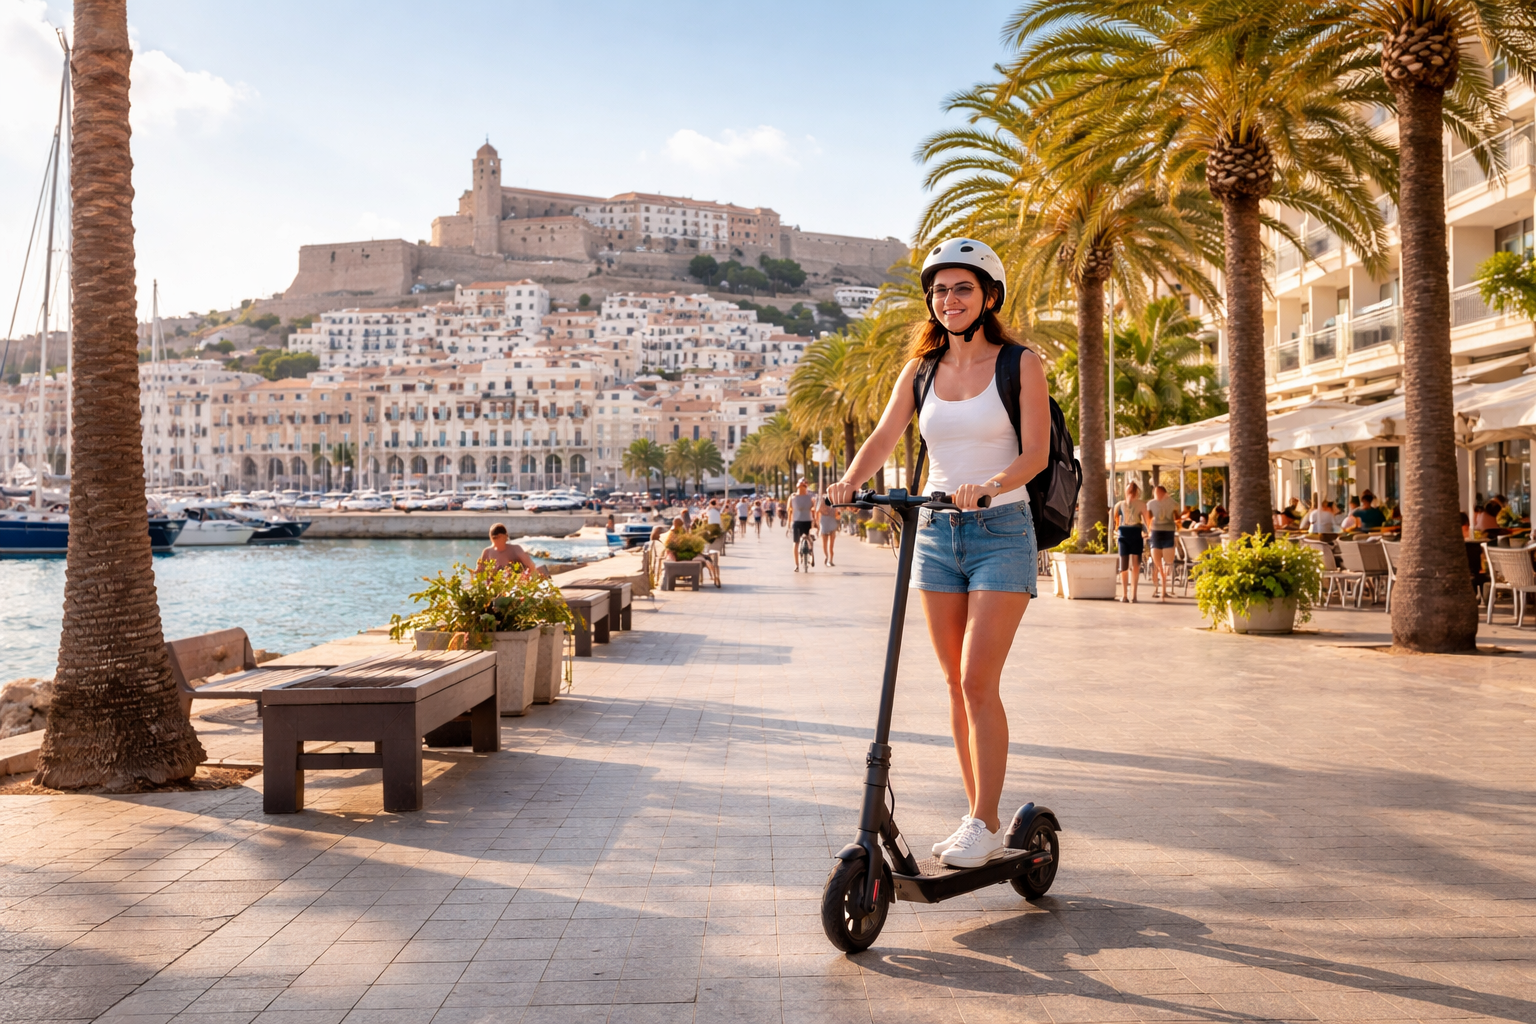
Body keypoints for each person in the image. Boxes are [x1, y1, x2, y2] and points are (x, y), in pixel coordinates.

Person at [827, 237, 1048, 870]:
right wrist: (849, 482)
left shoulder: (1020, 363)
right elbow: (884, 435)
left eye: (963, 289)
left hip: (1000, 529)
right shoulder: (921, 370)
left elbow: (1035, 453)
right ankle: (976, 815)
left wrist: (992, 485)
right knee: (954, 684)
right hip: (933, 534)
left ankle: (986, 820)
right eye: (940, 290)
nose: (949, 300)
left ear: (989, 297)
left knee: (978, 680)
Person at [1113, 481, 1147, 603]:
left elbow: (1147, 520)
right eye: (1129, 491)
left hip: (1136, 534)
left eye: (1132, 491)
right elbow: (1116, 523)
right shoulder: (1119, 505)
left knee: (1136, 566)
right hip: (1124, 535)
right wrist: (1116, 532)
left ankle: (1134, 594)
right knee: (1124, 566)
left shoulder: (1141, 505)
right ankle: (1124, 594)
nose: (1130, 493)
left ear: (1136, 492)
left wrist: (1147, 532)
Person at [1144, 484, 1179, 601]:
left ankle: (1163, 587)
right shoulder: (1150, 504)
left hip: (1168, 534)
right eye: (1155, 493)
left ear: (1165, 493)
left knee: (1168, 563)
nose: (1157, 495)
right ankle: (1160, 587)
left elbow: (1177, 517)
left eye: (1160, 493)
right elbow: (1147, 519)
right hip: (1155, 535)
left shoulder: (1172, 503)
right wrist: (1149, 530)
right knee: (1157, 564)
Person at [478, 523, 547, 578]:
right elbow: (480, 573)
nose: (499, 541)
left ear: (506, 537)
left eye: (500, 537)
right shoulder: (487, 552)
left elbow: (531, 566)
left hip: (518, 584)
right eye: (496, 538)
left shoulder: (516, 549)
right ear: (492, 538)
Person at [788, 479, 817, 570]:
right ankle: (796, 564)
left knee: (809, 538)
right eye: (800, 486)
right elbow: (789, 511)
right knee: (796, 542)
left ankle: (811, 554)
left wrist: (815, 521)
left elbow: (814, 510)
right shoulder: (792, 497)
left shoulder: (810, 498)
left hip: (808, 521)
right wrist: (788, 524)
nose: (802, 488)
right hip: (797, 521)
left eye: (804, 486)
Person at [818, 492, 840, 567]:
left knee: (825, 542)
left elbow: (818, 511)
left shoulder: (822, 499)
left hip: (824, 520)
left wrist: (817, 523)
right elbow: (838, 513)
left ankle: (826, 556)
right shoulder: (834, 499)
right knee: (831, 544)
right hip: (831, 520)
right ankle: (830, 560)